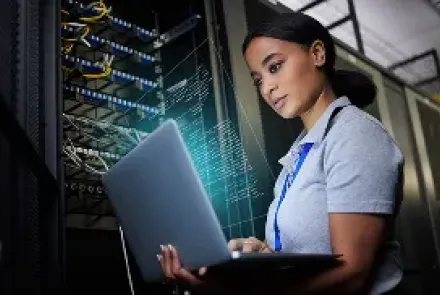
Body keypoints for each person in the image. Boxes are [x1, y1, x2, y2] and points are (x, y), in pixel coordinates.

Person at [157, 12, 404, 295]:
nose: (267, 88)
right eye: (258, 80)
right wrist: (265, 252)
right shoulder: (299, 155)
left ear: (317, 54)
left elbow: (352, 274)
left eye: (274, 67)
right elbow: (309, 253)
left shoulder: (355, 135)